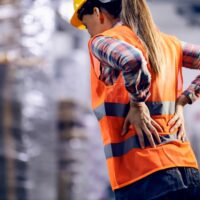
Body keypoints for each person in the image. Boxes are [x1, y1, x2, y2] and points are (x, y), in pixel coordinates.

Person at [70, 0, 200, 199]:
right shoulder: (166, 43)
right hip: (187, 171)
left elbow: (132, 59)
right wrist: (183, 101)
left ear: (97, 13)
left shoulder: (101, 41)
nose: (89, 33)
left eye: (87, 25)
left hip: (143, 177)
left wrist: (138, 103)